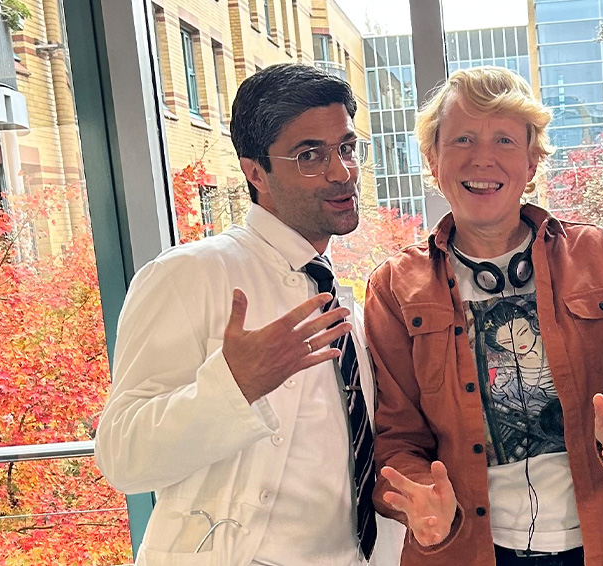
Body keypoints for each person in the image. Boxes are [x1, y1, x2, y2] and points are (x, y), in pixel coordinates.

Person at [363, 66, 603, 566]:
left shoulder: (597, 257)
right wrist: (420, 498)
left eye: (504, 140)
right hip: (469, 549)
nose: (482, 157)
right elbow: (397, 439)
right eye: (463, 139)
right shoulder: (395, 287)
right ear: (433, 159)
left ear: (532, 163)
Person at [95, 63, 402, 566]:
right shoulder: (190, 274)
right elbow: (121, 457)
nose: (342, 172)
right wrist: (234, 387)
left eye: (347, 148)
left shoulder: (340, 291)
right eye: (310, 156)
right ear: (255, 172)